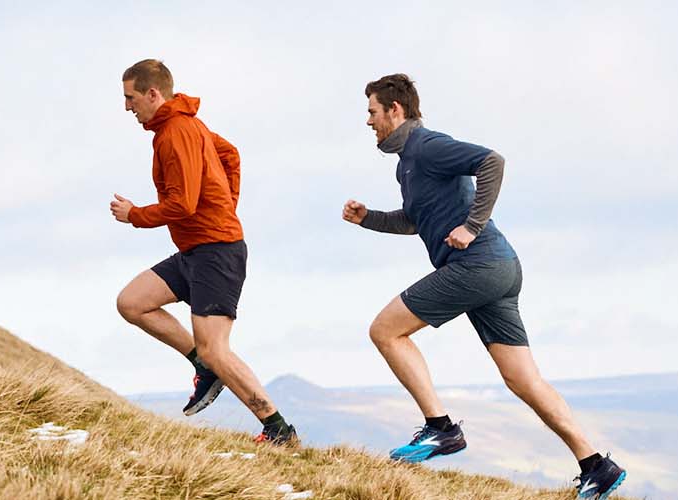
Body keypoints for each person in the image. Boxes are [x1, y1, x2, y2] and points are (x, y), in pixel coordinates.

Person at [341, 73, 626, 498]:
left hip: (478, 263)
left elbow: (492, 161)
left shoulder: (428, 146)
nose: (368, 121)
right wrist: (369, 219)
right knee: (523, 380)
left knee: (385, 330)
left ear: (394, 110)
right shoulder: (408, 165)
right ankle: (595, 464)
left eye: (371, 112)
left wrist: (472, 227)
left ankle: (441, 429)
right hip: (499, 269)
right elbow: (417, 221)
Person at [110, 59, 296, 445]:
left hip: (217, 252)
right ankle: (201, 365)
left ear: (153, 94)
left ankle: (278, 429)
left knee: (217, 350)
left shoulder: (176, 132)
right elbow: (231, 155)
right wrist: (226, 205)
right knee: (132, 302)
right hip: (195, 249)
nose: (127, 107)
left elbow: (183, 205)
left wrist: (135, 216)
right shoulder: (182, 127)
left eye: (130, 98)